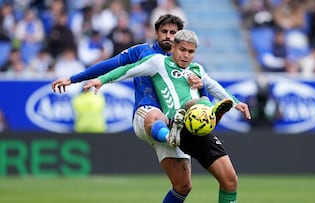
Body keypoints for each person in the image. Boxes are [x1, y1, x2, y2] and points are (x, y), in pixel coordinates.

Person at [83, 29, 251, 203]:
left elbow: (215, 86)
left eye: (191, 51)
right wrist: (101, 80)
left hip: (198, 127)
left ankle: (211, 113)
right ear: (174, 47)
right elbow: (128, 69)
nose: (186, 55)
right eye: (182, 50)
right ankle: (205, 115)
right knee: (195, 105)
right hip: (177, 120)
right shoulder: (158, 63)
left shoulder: (197, 69)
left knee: (230, 181)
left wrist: (235, 102)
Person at [52, 14, 201, 203]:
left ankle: (172, 136)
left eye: (173, 32)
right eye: (164, 31)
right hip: (146, 112)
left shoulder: (187, 64)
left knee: (183, 186)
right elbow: (111, 64)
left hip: (173, 122)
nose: (168, 36)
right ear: (156, 33)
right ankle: (169, 136)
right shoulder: (143, 52)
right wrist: (73, 79)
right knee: (156, 117)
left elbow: (202, 93)